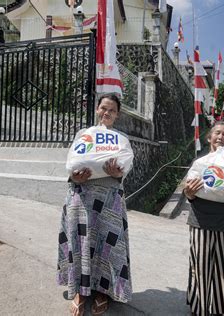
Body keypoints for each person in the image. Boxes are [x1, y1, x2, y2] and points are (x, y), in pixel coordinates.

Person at [57, 93, 133, 316]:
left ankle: (103, 291)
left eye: (112, 110)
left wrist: (118, 173)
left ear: (117, 114)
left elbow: (124, 168)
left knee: (107, 246)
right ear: (97, 109)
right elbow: (71, 165)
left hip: (109, 200)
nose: (107, 113)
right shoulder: (84, 135)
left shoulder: (121, 139)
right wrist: (74, 177)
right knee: (81, 244)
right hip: (81, 197)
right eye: (103, 108)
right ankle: (80, 292)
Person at [183, 121, 224, 316]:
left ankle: (221, 311)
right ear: (209, 138)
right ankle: (200, 310)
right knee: (201, 268)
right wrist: (188, 193)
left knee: (223, 271)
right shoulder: (201, 163)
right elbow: (190, 194)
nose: (221, 137)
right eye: (217, 133)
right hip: (201, 221)